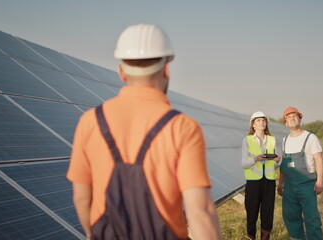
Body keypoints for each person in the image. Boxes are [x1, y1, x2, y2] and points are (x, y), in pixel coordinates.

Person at [67, 23, 221, 240]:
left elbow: (82, 198)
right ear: (166, 68)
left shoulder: (89, 121)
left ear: (121, 72)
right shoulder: (183, 127)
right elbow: (200, 211)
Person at [277, 106, 323, 240]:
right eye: (288, 117)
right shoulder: (285, 140)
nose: (292, 119)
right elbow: (284, 165)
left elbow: (319, 159)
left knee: (311, 219)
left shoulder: (310, 138)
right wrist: (280, 184)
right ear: (285, 123)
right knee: (291, 217)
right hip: (290, 186)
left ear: (300, 118)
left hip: (306, 185)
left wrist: (319, 181)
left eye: (294, 116)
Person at [241, 111, 281, 240]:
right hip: (253, 182)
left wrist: (277, 161)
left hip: (269, 182)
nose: (262, 122)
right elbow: (243, 164)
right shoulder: (246, 140)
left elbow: (277, 163)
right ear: (253, 125)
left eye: (263, 120)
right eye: (258, 120)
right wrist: (256, 159)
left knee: (267, 214)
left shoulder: (272, 140)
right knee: (251, 214)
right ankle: (251, 236)